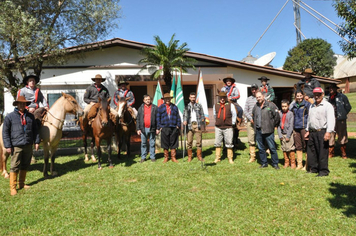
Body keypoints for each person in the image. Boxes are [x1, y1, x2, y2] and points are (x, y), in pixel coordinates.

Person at [2, 96, 40, 196]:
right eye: (20, 103)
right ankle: (13, 187)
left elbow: (35, 130)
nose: (22, 105)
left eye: (24, 103)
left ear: (26, 105)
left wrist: (36, 142)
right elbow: (5, 133)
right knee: (14, 166)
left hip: (28, 144)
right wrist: (8, 146)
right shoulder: (9, 117)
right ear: (17, 104)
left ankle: (21, 184)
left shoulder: (30, 117)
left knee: (25, 164)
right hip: (16, 145)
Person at [305, 87, 335, 177]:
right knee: (312, 151)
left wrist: (328, 132)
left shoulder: (327, 106)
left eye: (318, 94)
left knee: (322, 152)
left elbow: (331, 119)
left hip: (322, 131)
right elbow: (309, 119)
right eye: (315, 94)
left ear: (322, 95)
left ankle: (323, 171)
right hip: (312, 131)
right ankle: (314, 169)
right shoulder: (312, 105)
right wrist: (307, 130)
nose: (316, 96)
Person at [252, 91, 280, 169]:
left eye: (259, 97)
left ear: (263, 96)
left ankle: (275, 163)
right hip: (258, 130)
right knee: (261, 148)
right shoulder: (256, 106)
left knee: (272, 148)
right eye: (257, 97)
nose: (258, 98)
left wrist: (272, 125)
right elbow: (253, 116)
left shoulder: (271, 105)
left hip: (268, 130)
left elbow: (277, 117)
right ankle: (264, 163)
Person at [327, 84, 352, 159]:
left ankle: (343, 153)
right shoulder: (327, 97)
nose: (331, 89)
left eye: (332, 88)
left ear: (336, 89)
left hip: (340, 119)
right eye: (329, 88)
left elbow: (348, 107)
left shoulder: (342, 96)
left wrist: (343, 114)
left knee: (342, 135)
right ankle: (331, 153)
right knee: (331, 135)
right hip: (330, 119)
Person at [156, 93, 181, 163]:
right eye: (166, 99)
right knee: (165, 143)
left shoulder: (174, 107)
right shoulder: (160, 107)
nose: (167, 100)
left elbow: (178, 117)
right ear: (164, 100)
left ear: (170, 99)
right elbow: (158, 118)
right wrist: (159, 127)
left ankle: (173, 157)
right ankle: (166, 157)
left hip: (173, 127)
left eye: (169, 98)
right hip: (164, 127)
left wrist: (178, 125)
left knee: (174, 143)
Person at [290, 90, 311, 170]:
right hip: (296, 128)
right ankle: (299, 164)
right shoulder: (294, 105)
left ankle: (307, 164)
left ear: (303, 95)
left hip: (304, 127)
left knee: (306, 146)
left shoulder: (307, 104)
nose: (299, 97)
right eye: (297, 96)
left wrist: (308, 129)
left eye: (300, 95)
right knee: (298, 146)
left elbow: (310, 116)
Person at [213, 91, 237, 164]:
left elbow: (234, 114)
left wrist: (232, 123)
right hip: (218, 127)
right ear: (219, 98)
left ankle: (230, 158)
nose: (222, 99)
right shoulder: (216, 105)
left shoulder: (230, 105)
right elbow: (215, 115)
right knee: (217, 142)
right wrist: (218, 121)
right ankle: (217, 157)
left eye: (223, 97)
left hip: (228, 127)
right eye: (221, 98)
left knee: (229, 142)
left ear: (225, 98)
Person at [221, 76, 243, 148]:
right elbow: (221, 95)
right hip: (225, 102)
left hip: (233, 102)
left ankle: (239, 123)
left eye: (229, 81)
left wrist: (232, 98)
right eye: (227, 81)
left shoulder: (235, 88)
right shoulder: (223, 88)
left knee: (240, 109)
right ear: (226, 82)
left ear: (231, 82)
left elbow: (238, 95)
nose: (228, 82)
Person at [183, 92, 205, 162]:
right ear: (189, 98)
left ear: (195, 98)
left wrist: (202, 118)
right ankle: (190, 156)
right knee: (189, 142)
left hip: (197, 125)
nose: (192, 99)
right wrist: (184, 121)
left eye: (194, 97)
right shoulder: (186, 106)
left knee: (199, 141)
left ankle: (199, 156)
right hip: (190, 125)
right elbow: (184, 115)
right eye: (191, 97)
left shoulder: (199, 106)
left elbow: (202, 114)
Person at [136, 95, 158, 163]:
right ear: (143, 100)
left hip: (152, 128)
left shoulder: (155, 107)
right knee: (143, 143)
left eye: (148, 99)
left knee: (152, 143)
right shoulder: (140, 108)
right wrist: (138, 129)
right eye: (146, 99)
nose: (148, 101)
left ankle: (152, 157)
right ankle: (143, 157)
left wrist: (157, 128)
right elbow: (138, 119)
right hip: (143, 128)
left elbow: (158, 119)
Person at [277, 100, 295, 168]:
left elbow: (291, 125)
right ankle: (286, 162)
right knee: (284, 148)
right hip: (282, 134)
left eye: (285, 106)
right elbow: (278, 125)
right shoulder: (280, 114)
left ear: (288, 106)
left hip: (288, 134)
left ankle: (292, 162)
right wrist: (280, 135)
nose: (284, 108)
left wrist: (288, 135)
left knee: (290, 148)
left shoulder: (290, 114)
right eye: (282, 106)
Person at [244, 83, 258, 163]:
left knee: (260, 139)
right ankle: (252, 157)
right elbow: (245, 111)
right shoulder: (248, 99)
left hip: (260, 122)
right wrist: (250, 118)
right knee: (251, 139)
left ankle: (262, 154)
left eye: (255, 89)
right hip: (251, 122)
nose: (254, 90)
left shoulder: (260, 98)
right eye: (252, 89)